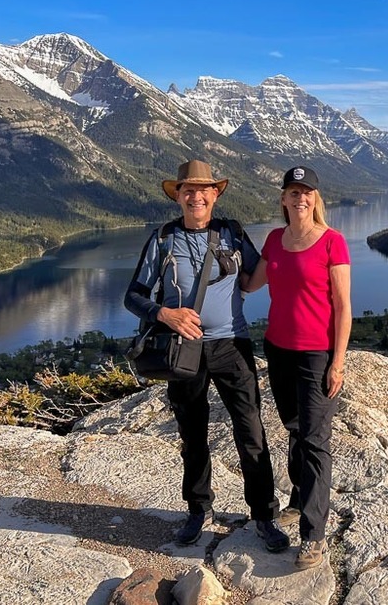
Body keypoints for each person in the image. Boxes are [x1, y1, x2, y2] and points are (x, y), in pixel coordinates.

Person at [124, 159, 289, 553]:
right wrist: (165, 313)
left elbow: (253, 276)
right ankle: (198, 511)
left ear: (215, 194)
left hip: (232, 344)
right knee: (192, 434)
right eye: (188, 190)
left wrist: (289, 249)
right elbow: (133, 295)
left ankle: (263, 515)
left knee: (251, 431)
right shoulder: (163, 239)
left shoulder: (231, 233)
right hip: (183, 349)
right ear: (178, 196)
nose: (196, 196)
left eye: (204, 190)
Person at [244, 165, 352, 570]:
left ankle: (314, 535)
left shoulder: (332, 243)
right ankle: (297, 497)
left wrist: (337, 362)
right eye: (293, 191)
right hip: (278, 349)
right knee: (292, 427)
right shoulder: (274, 239)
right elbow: (251, 284)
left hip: (315, 355)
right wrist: (215, 261)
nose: (300, 198)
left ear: (315, 199)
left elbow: (343, 309)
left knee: (315, 440)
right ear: (284, 199)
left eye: (307, 192)